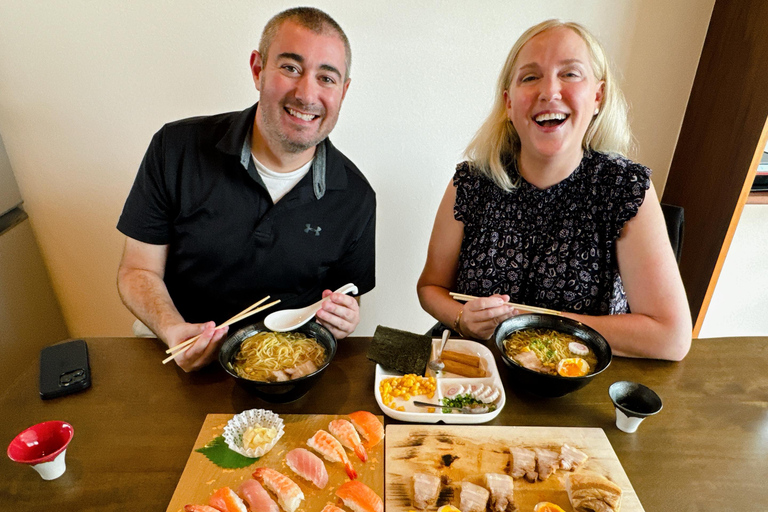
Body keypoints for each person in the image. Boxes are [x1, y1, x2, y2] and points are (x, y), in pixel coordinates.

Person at [117, 7, 375, 371]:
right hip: (175, 350)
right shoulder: (176, 148)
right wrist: (173, 330)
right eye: (290, 68)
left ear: (343, 91)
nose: (307, 93)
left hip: (284, 371)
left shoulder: (356, 196)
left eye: (327, 78)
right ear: (258, 69)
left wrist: (343, 319)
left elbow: (346, 295)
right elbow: (137, 271)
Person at [417, 19, 691, 361]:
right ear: (509, 104)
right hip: (475, 373)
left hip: (576, 381)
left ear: (597, 96)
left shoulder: (623, 187)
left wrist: (535, 325)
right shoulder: (471, 181)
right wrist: (461, 318)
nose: (549, 91)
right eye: (530, 77)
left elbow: (671, 338)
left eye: (570, 74)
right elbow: (430, 288)